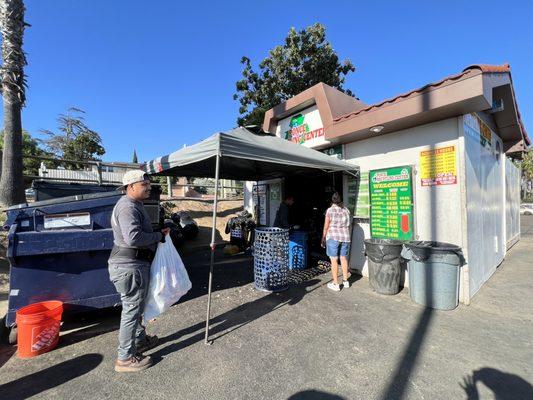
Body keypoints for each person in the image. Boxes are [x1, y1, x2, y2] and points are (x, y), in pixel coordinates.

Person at [108, 170, 170, 372]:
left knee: (137, 308)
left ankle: (140, 341)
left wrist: (157, 233)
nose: (149, 187)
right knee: (131, 311)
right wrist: (157, 237)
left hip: (133, 265)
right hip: (130, 267)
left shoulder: (134, 205)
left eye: (149, 184)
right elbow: (133, 238)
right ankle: (124, 358)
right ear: (131, 186)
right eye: (144, 184)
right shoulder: (127, 207)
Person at [321, 192, 351, 291]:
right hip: (345, 237)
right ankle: (346, 281)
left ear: (332, 200)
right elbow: (349, 224)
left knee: (334, 260)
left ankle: (335, 283)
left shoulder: (329, 210)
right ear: (340, 200)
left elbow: (326, 226)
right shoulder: (346, 210)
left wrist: (323, 238)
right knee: (343, 258)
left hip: (333, 237)